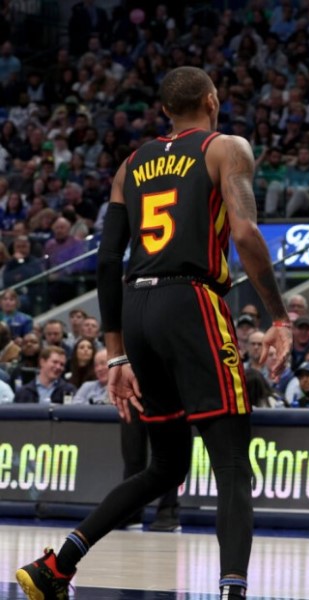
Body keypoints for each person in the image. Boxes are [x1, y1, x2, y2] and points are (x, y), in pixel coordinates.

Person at [15, 67, 292, 600]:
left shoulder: (131, 164)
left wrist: (115, 354)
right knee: (232, 462)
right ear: (212, 100)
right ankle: (232, 591)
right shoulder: (225, 148)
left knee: (165, 466)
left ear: (165, 111)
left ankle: (57, 564)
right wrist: (279, 316)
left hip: (137, 308)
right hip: (191, 300)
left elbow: (106, 261)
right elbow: (244, 232)